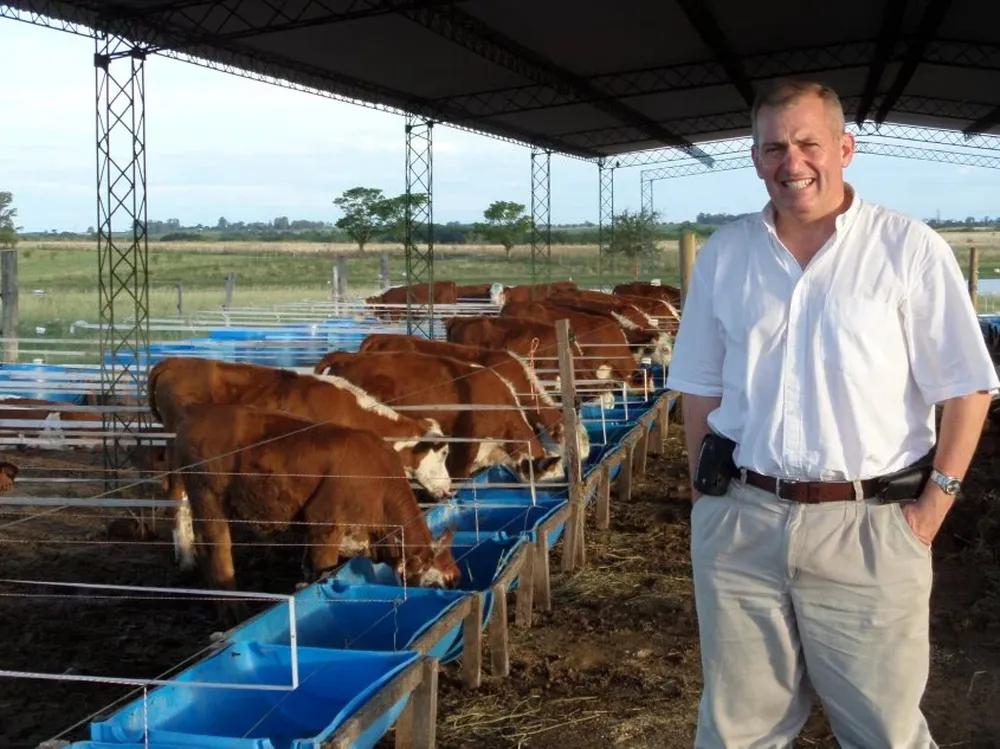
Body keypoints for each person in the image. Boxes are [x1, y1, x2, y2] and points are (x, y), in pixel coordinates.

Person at [665, 78, 999, 748]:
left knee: (884, 732)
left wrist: (932, 508)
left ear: (844, 148)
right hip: (743, 522)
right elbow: (700, 387)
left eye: (808, 143)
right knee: (736, 731)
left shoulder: (907, 249)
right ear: (755, 158)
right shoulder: (727, 254)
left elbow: (968, 388)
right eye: (773, 148)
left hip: (869, 527)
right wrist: (707, 504)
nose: (792, 162)